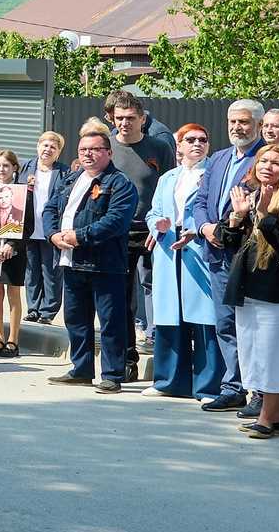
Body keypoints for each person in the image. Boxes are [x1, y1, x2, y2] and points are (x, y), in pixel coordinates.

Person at [208, 143, 279, 438]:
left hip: (275, 289)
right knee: (253, 350)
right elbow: (225, 240)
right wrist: (237, 216)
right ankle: (278, 417)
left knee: (272, 352)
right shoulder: (249, 196)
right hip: (247, 286)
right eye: (263, 161)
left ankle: (267, 417)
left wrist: (266, 216)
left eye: (276, 163)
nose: (268, 166)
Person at [184, 99, 269, 413]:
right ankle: (233, 387)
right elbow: (201, 200)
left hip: (250, 254)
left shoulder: (266, 159)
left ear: (259, 125)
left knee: (253, 325)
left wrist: (228, 228)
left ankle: (259, 391)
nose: (237, 128)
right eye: (232, 121)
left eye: (244, 122)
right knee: (224, 323)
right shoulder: (218, 158)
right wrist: (206, 227)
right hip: (217, 253)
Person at [43, 121, 140, 392]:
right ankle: (81, 369)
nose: (88, 154)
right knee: (75, 320)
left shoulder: (120, 183)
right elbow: (50, 210)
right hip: (71, 262)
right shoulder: (71, 180)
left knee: (111, 322)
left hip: (105, 264)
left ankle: (112, 375)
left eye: (95, 149)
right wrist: (53, 235)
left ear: (108, 153)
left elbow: (116, 221)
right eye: (83, 149)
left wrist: (79, 236)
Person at [145, 126, 218, 400]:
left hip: (198, 247)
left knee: (204, 319)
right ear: (179, 146)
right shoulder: (168, 177)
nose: (197, 144)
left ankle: (208, 385)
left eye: (203, 139)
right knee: (169, 316)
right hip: (168, 248)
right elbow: (153, 212)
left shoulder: (213, 173)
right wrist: (158, 225)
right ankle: (168, 381)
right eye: (191, 140)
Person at [105, 90, 176, 356]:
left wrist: (159, 225)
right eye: (120, 118)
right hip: (118, 233)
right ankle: (126, 358)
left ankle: (161, 348)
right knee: (121, 298)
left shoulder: (159, 147)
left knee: (159, 290)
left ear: (142, 118)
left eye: (131, 118)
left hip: (153, 233)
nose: (125, 123)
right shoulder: (107, 147)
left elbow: (169, 188)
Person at [0, 149, 28, 356]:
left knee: (13, 292)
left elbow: (28, 226)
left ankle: (13, 340)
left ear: (15, 168)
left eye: (6, 166)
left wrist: (11, 245)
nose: (2, 169)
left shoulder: (24, 193)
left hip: (13, 251)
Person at [24, 131, 67, 323]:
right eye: (45, 145)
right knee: (31, 272)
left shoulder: (64, 172)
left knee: (51, 272)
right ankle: (33, 308)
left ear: (58, 152)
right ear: (38, 146)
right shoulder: (26, 167)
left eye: (53, 147)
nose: (48, 149)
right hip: (28, 230)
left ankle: (48, 312)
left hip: (51, 230)